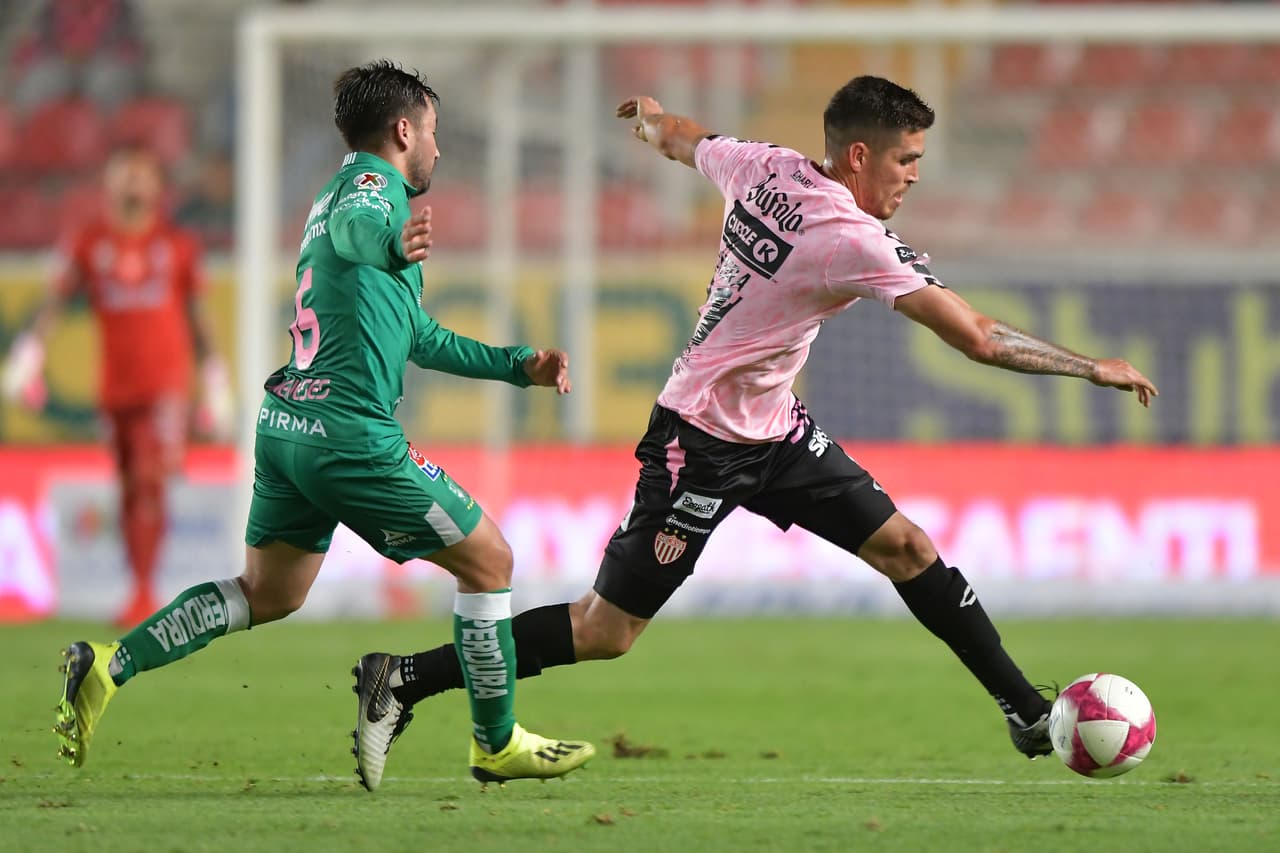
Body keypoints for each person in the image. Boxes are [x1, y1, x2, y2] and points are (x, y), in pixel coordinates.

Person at [351, 76, 1159, 778]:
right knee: (605, 631)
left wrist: (649, 120)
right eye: (906, 160)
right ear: (858, 158)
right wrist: (1090, 367)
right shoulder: (848, 237)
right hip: (697, 442)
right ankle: (403, 677)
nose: (913, 176)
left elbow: (684, 139)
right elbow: (976, 336)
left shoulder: (761, 164)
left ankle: (1023, 710)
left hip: (775, 433)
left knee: (906, 547)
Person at [49, 60, 596, 789]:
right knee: (490, 561)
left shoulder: (333, 192)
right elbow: (358, 231)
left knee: (268, 591)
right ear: (404, 131)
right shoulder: (373, 193)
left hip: (287, 428)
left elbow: (418, 337)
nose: (439, 148)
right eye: (432, 132)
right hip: (348, 435)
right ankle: (495, 742)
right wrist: (391, 244)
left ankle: (108, 666)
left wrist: (515, 362)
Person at [2, 142, 234, 628]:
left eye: (140, 172)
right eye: (122, 172)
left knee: (151, 481)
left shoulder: (177, 246)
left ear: (157, 186)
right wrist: (29, 354)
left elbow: (199, 318)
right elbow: (55, 301)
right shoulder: (90, 242)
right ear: (108, 182)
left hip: (164, 388)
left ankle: (145, 593)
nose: (131, 181)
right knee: (129, 486)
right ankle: (137, 588)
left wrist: (214, 380)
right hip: (115, 389)